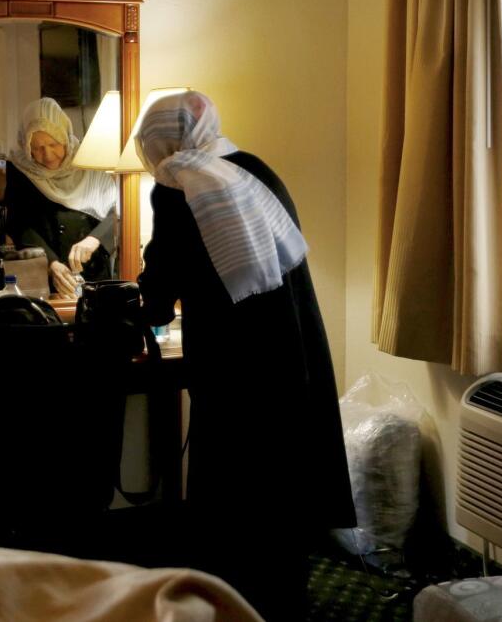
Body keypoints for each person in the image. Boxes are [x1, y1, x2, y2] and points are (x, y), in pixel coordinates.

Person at [136, 92, 356, 620]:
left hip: (235, 362)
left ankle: (230, 597)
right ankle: (286, 592)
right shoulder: (254, 168)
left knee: (232, 477)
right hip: (294, 343)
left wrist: (144, 295)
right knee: (282, 468)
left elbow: (161, 291)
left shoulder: (178, 187)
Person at [4, 97, 119, 295]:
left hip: (94, 270)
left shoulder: (89, 157)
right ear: (26, 145)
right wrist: (51, 264)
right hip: (43, 273)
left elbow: (119, 211)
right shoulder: (20, 168)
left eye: (54, 144)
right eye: (38, 148)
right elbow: (18, 222)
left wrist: (94, 239)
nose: (47, 155)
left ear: (66, 137)